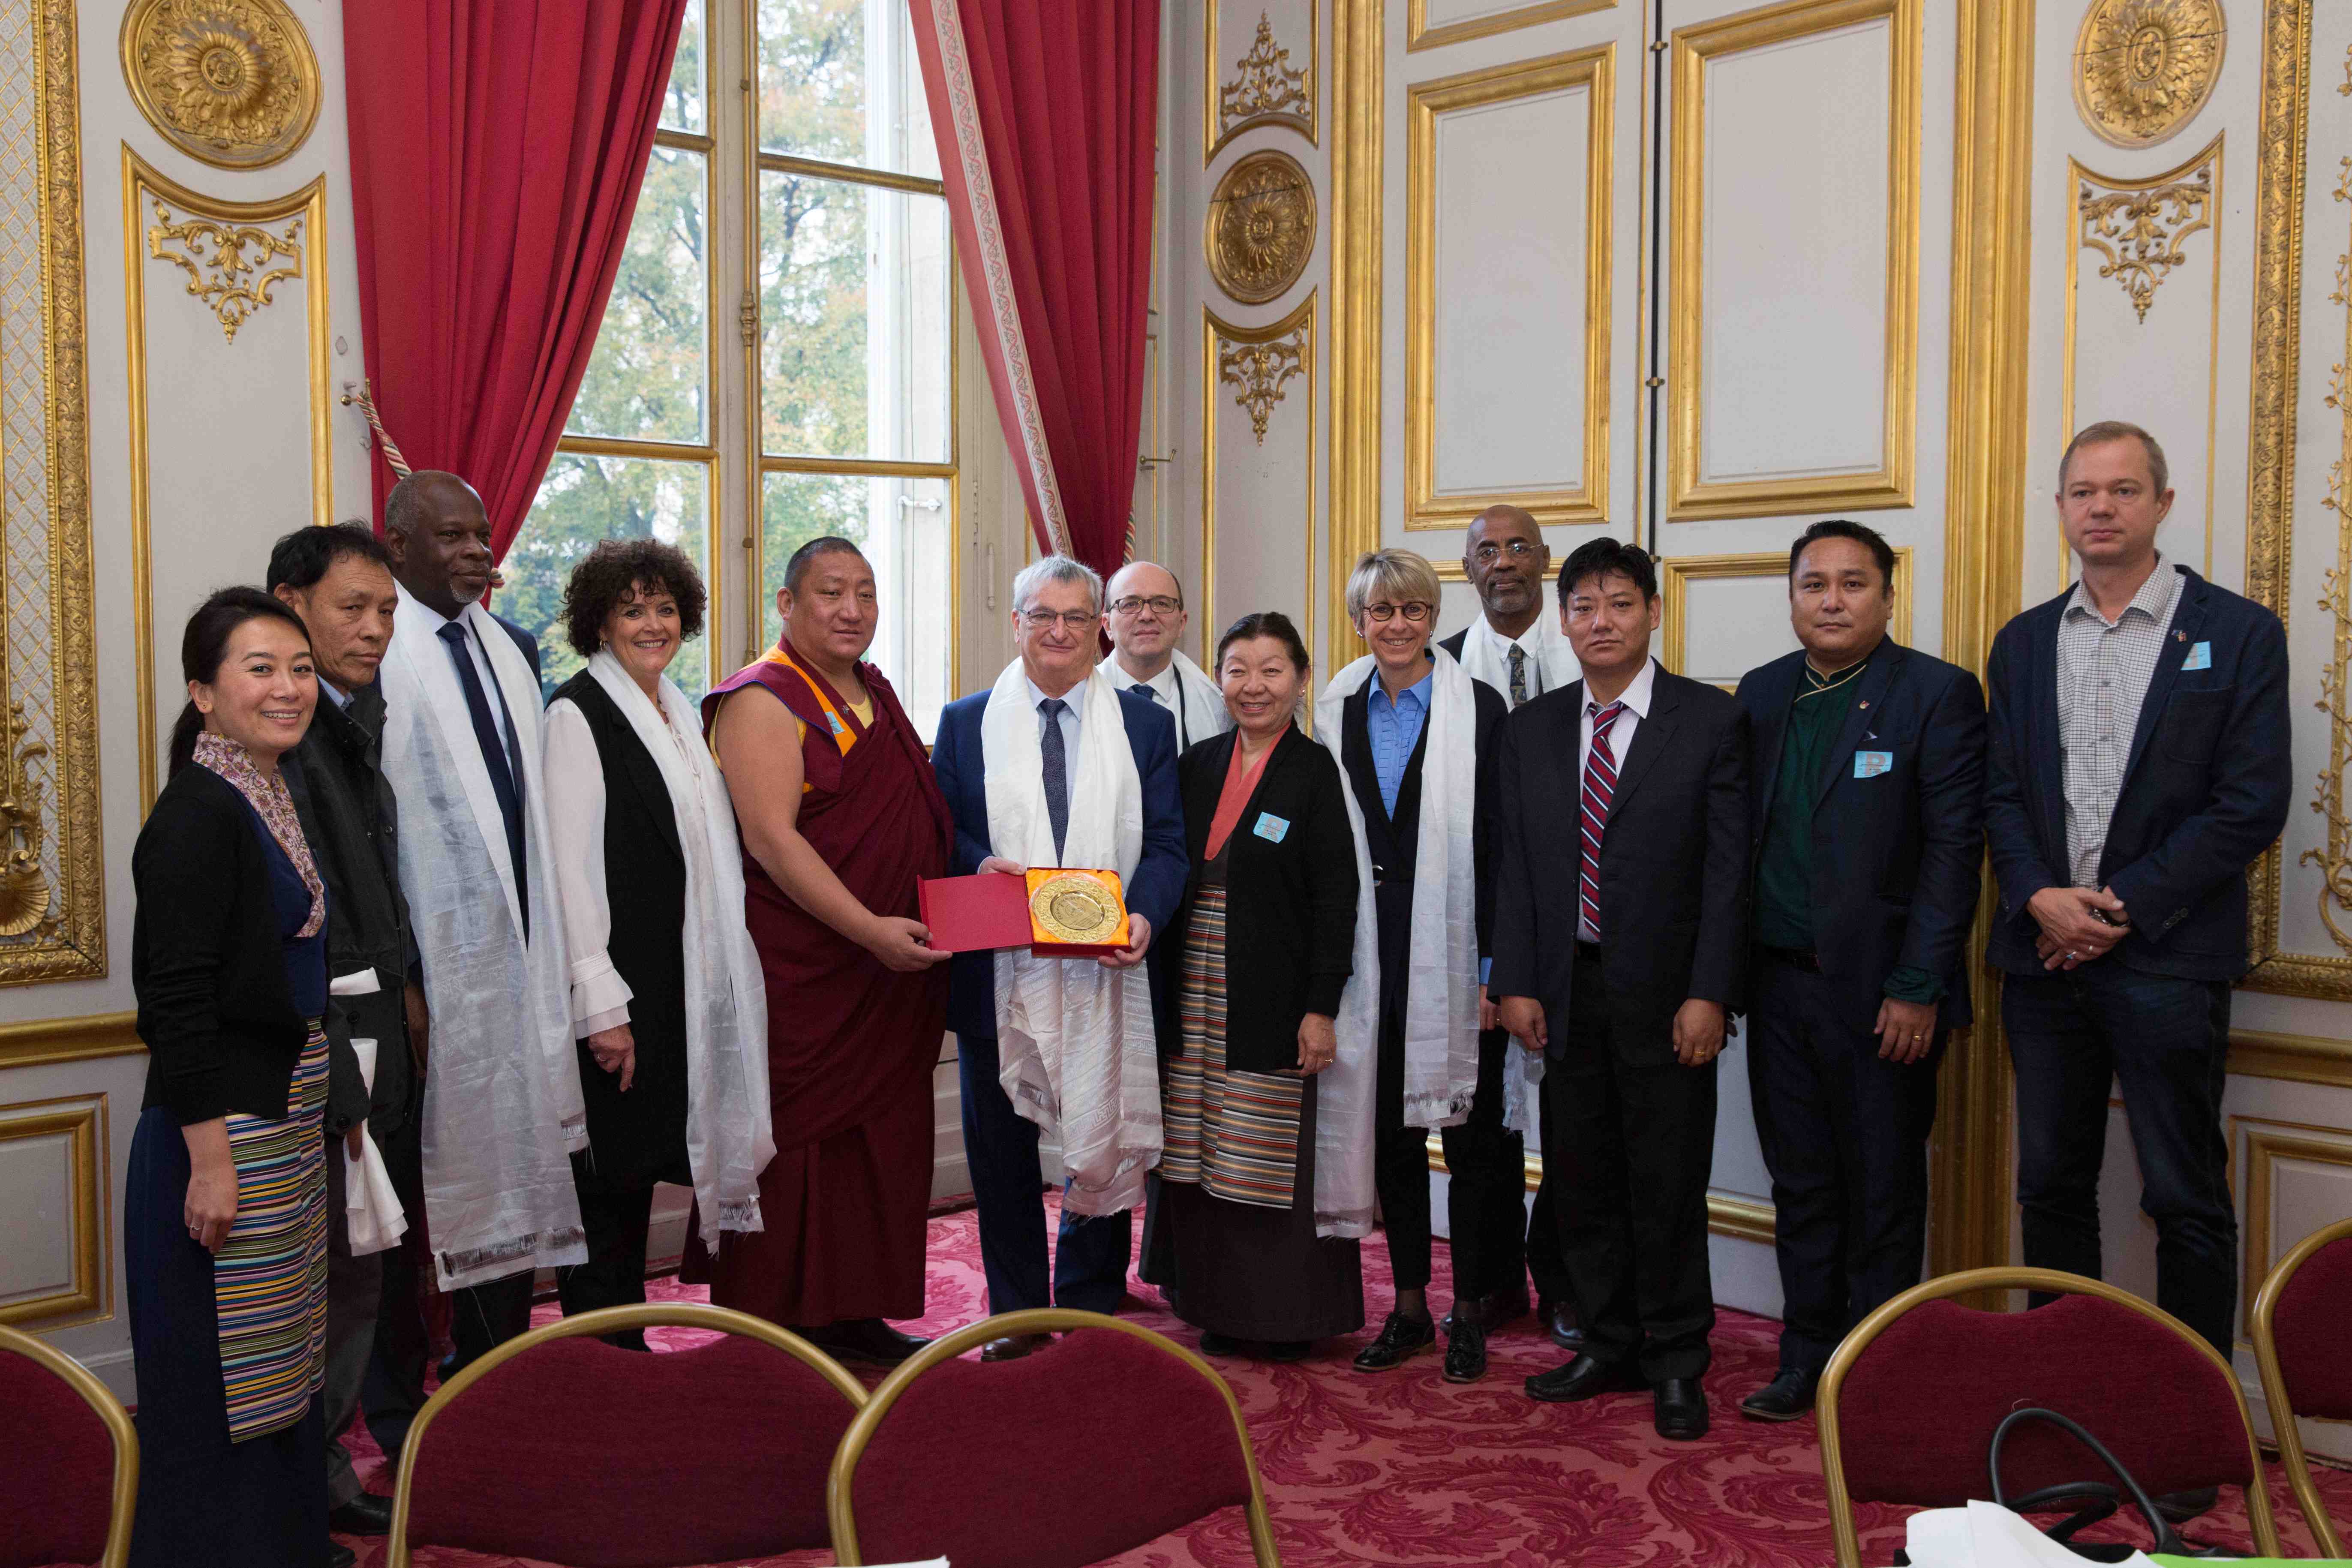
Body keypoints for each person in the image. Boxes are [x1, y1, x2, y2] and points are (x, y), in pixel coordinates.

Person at [1986, 421, 2291, 1360]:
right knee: (2049, 1188)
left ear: (2160, 503)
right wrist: (2041, 894)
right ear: (2060, 510)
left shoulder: (2236, 631)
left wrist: (2112, 908)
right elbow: (2000, 793)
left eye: (2122, 490)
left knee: (2183, 1194)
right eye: (2083, 491)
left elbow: (2250, 803)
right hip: (2042, 961)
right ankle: (2059, 1394)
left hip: (2166, 956)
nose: (2101, 507)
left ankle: (2183, 1425)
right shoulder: (2026, 640)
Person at [1493, 538, 1748, 1442]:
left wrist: (1710, 990)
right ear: (1564, 620)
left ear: (1651, 612)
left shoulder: (1708, 721)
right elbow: (1513, 868)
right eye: (1583, 607)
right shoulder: (1530, 728)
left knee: (1667, 1181)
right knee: (1583, 1176)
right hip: (1564, 990)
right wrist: (1514, 978)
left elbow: (1728, 873)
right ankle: (1605, 1340)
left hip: (1670, 997)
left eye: (1618, 605)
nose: (1600, 622)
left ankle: (1677, 1357)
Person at [1733, 520, 1986, 1421]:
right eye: (1813, 584)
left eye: (1851, 583)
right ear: (1792, 596)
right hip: (1776, 985)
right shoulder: (1761, 694)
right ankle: (1805, 1357)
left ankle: (1878, 1369)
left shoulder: (1935, 694)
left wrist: (1917, 984)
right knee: (1799, 1183)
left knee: (1881, 1186)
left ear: (1886, 594)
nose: (1831, 600)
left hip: (1885, 996)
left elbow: (1954, 853)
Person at [691, 536, 951, 1365]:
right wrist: (868, 930)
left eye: (866, 593)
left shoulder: (871, 688)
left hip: (889, 970)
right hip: (809, 967)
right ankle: (775, 1321)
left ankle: (855, 1308)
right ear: (786, 602)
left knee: (879, 1141)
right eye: (831, 592)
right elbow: (771, 841)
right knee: (798, 1144)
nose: (851, 609)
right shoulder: (762, 698)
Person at [931, 555, 1188, 1361]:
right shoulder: (964, 720)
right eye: (1042, 615)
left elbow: (1169, 845)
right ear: (1016, 623)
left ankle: (1088, 1295)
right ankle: (1016, 1312)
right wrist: (979, 868)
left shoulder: (1144, 724)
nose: (1060, 632)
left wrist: (1144, 913)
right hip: (998, 977)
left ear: (1100, 626)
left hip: (1109, 968)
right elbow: (942, 834)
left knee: (1099, 1132)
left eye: (1078, 617)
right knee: (1000, 1153)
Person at [128, 588, 336, 1568]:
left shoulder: (264, 784)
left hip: (279, 1118)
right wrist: (207, 1161)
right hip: (216, 1136)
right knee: (221, 1384)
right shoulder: (197, 812)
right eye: (261, 668)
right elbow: (176, 1001)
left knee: (282, 1365)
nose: (289, 686)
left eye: (299, 666)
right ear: (203, 691)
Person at [377, 469, 586, 1372]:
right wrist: (409, 979)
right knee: (413, 1189)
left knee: (515, 1158)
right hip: (419, 976)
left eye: (483, 534)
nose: (476, 552)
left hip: (522, 957)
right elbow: (374, 835)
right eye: (452, 536)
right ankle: (408, 1389)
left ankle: (496, 1366)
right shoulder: (369, 654)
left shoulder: (513, 645)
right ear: (397, 546)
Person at [543, 541, 772, 1349]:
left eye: (665, 608)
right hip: (619, 991)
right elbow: (568, 872)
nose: (652, 624)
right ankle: (598, 1355)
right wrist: (600, 1003)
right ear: (600, 620)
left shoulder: (679, 707)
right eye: (632, 608)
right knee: (607, 1185)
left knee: (639, 1169)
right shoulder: (576, 713)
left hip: (680, 980)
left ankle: (623, 1343)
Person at [1140, 612, 1363, 1360]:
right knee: (1194, 1143)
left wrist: (1320, 1007)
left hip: (1270, 985)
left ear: (1300, 679)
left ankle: (1278, 1311)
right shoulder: (1196, 762)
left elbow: (1337, 899)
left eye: (1272, 670)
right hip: (1190, 981)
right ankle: (1208, 1297)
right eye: (1237, 669)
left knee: (1257, 1144)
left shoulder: (1313, 769)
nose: (1253, 686)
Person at [1319, 549, 1501, 1379]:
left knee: (1469, 1145)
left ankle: (1469, 1311)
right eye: (1379, 611)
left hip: (1456, 954)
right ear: (1358, 619)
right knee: (1389, 1136)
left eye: (1413, 611)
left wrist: (1496, 966)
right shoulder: (1331, 707)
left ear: (1434, 617)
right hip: (1366, 953)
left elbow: (1501, 847)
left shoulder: (1481, 707)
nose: (1396, 625)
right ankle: (1408, 1307)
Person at [265, 524, 410, 1539]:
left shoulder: (353, 718)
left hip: (376, 1022)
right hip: (317, 1041)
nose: (374, 628)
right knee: (318, 1267)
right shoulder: (276, 730)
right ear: (292, 601)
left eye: (386, 610)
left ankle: (325, 1462)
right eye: (353, 607)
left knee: (361, 1255)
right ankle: (300, 1477)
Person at [1436, 503, 1581, 1355]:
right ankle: (1487, 1281)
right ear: (1467, 568)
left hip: (1574, 936)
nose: (1503, 562)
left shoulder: (1593, 657)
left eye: (1519, 545)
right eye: (1486, 550)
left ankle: (1563, 1279)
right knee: (1478, 1125)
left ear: (1545, 560)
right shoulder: (1443, 671)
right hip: (1471, 940)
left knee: (1571, 1124)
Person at [1104, 560, 1227, 751]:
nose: (1146, 615)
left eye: (1161, 604)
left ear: (1182, 623)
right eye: (1130, 604)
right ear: (1107, 626)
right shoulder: (1078, 698)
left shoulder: (1216, 708)